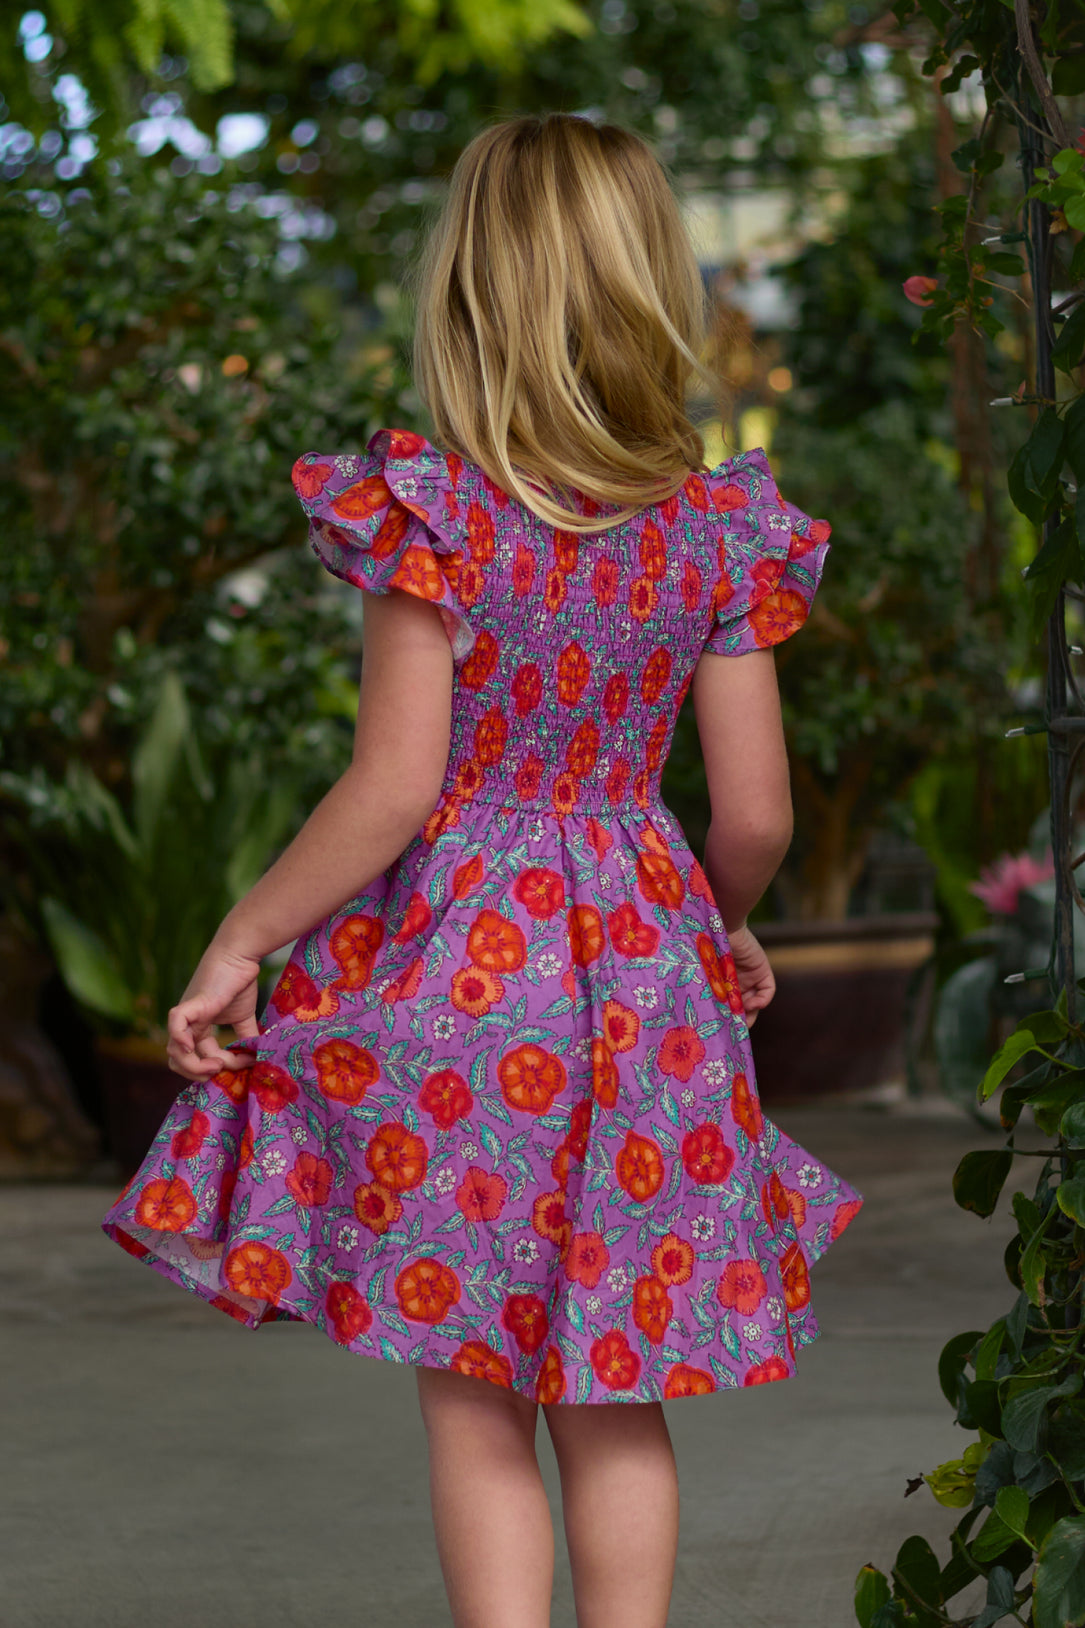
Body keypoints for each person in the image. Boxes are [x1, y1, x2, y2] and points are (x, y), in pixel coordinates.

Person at [102, 112, 863, 1628]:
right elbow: (758, 814)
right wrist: (712, 924)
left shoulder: (437, 517)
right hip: (642, 984)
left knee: (475, 1391)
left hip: (463, 984)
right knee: (613, 1382)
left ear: (469, 292)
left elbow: (393, 791)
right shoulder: (718, 531)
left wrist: (242, 939)